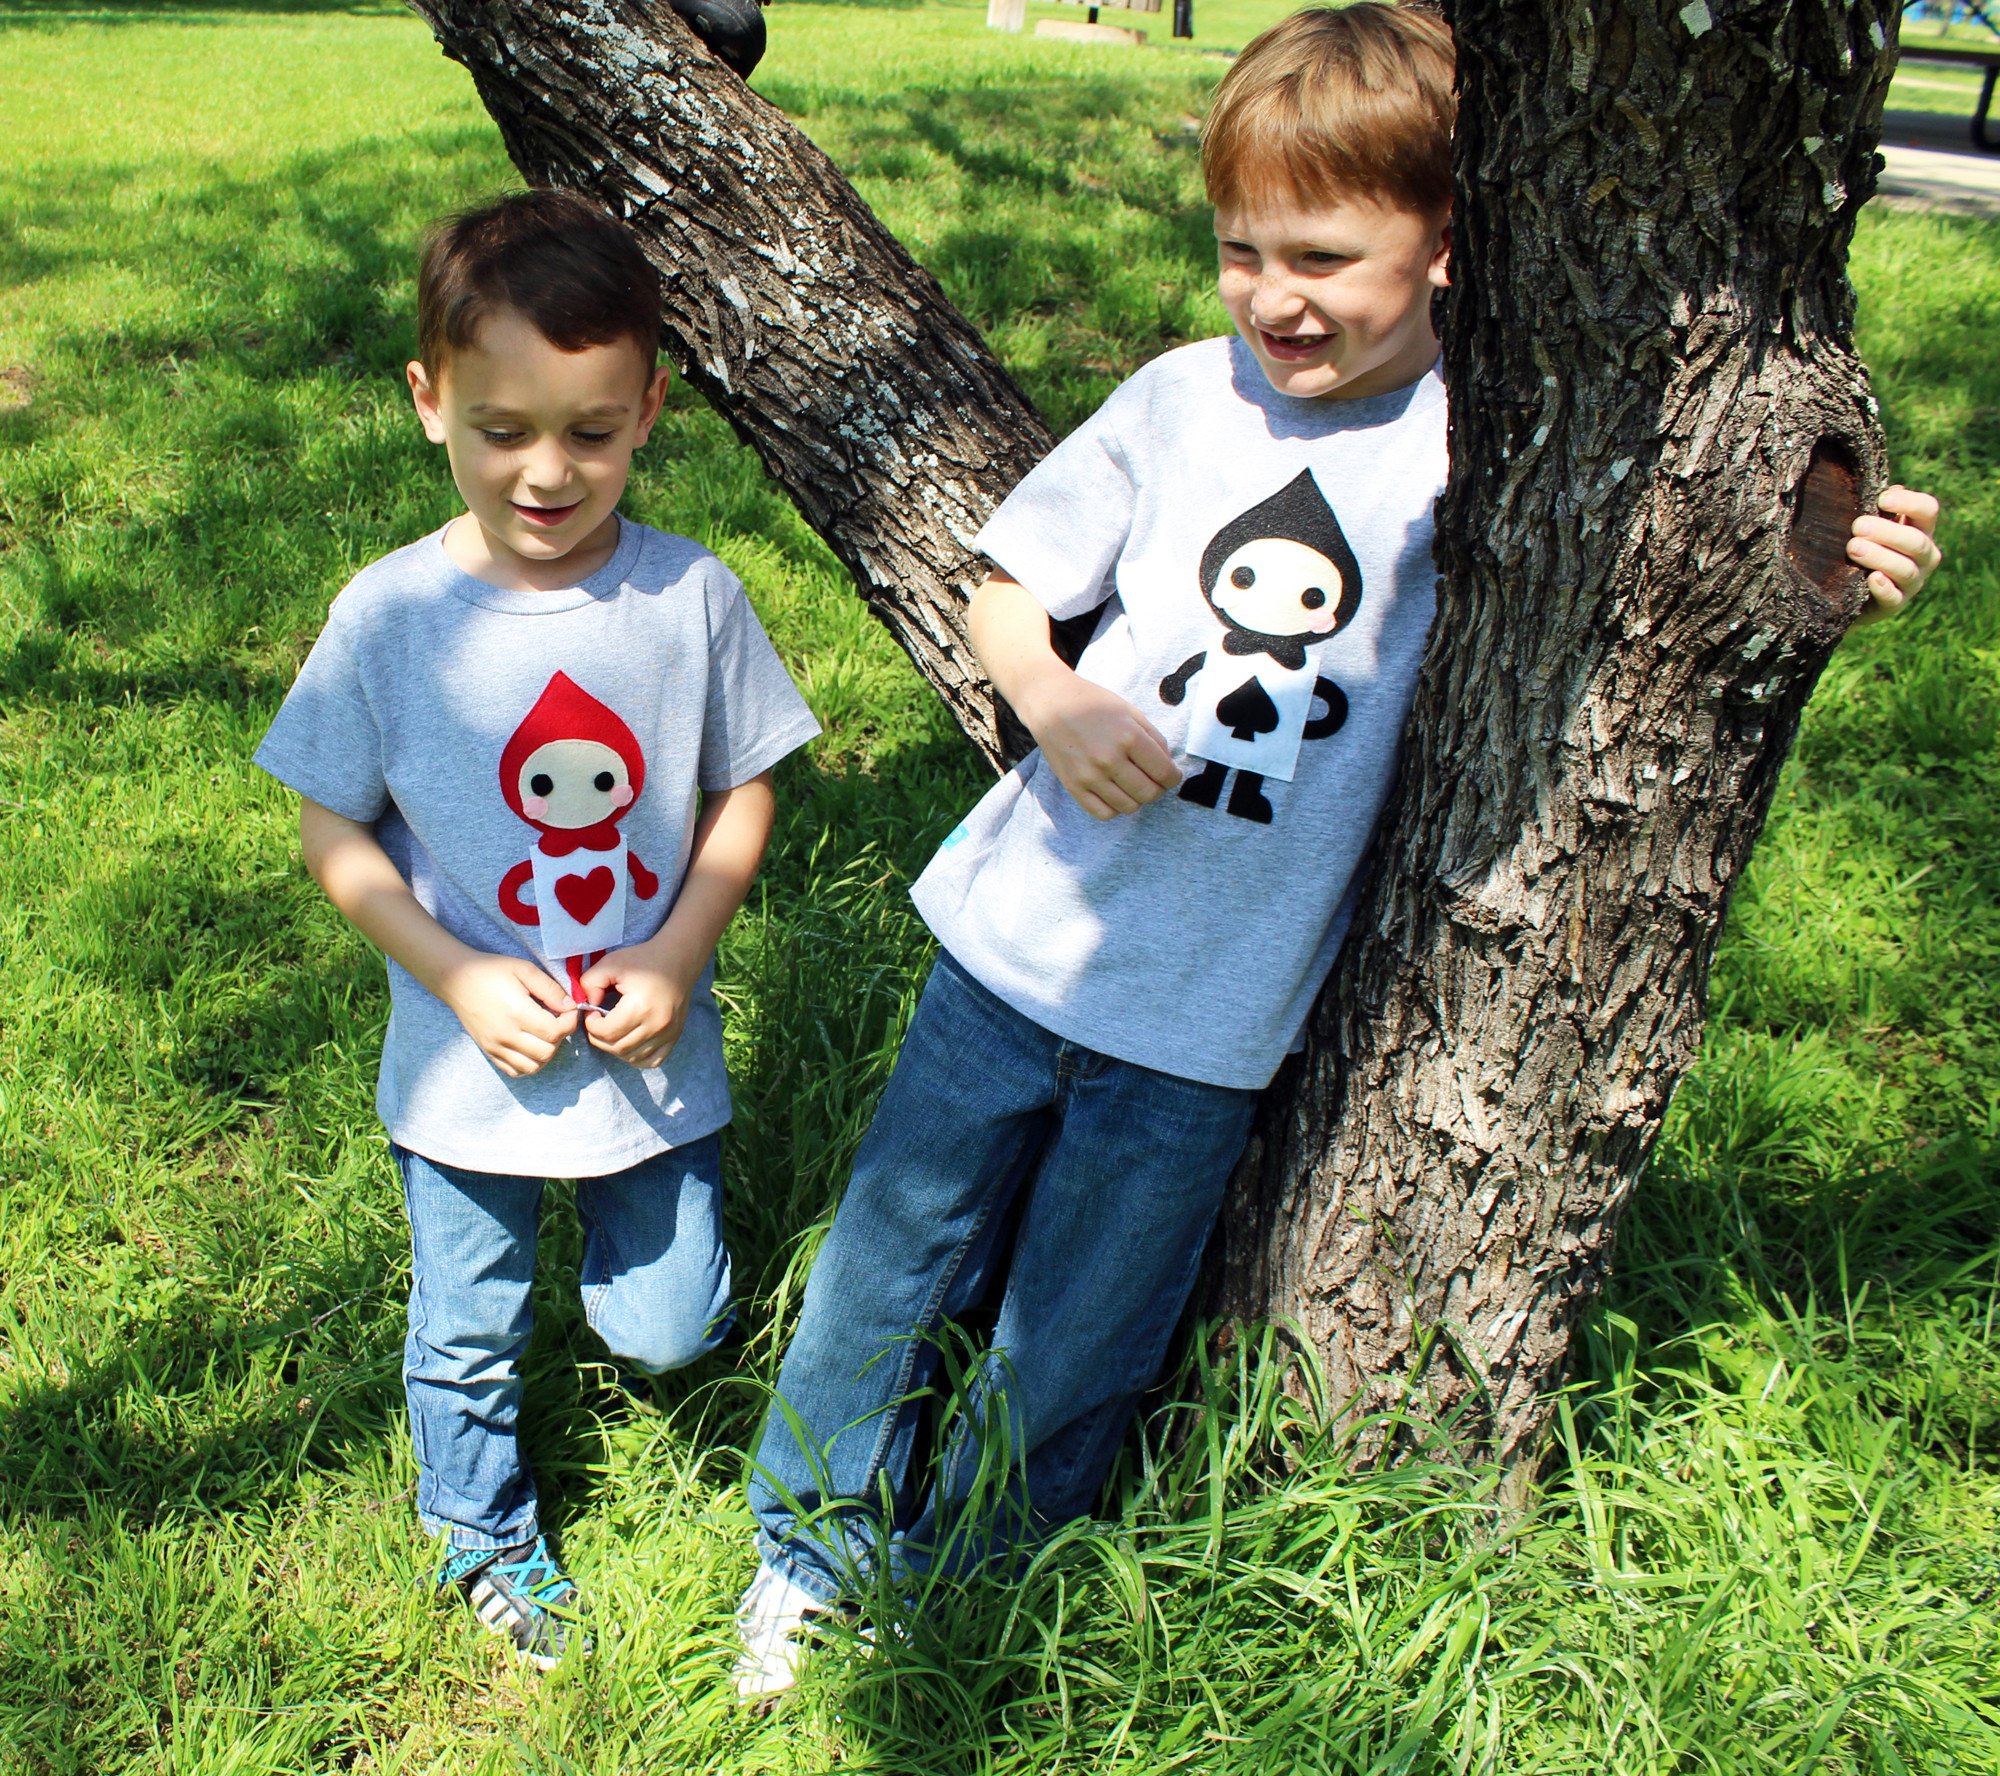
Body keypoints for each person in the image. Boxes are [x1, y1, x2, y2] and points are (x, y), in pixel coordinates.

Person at [730, 2, 1943, 1699]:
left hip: (1214, 1019)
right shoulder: (1181, 401)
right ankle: (809, 1552)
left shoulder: (1484, 446)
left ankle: (973, 1581)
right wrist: (1051, 698)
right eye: (1241, 249)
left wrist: (1829, 559)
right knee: (891, 1264)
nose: (1272, 297)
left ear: (1444, 242)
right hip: (1013, 946)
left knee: (1081, 1330)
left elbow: (1676, 587)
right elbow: (1009, 585)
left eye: (1322, 255)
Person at [256, 188, 820, 1670]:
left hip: (652, 1059)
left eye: (592, 430)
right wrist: (452, 972)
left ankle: (626, 1306)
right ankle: (481, 1525)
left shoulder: (691, 597)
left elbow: (745, 790)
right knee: (468, 1324)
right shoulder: (387, 618)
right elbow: (331, 831)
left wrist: (679, 951)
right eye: (502, 430)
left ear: (651, 409)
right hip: (468, 1074)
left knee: (669, 1327)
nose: (548, 471)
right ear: (427, 401)